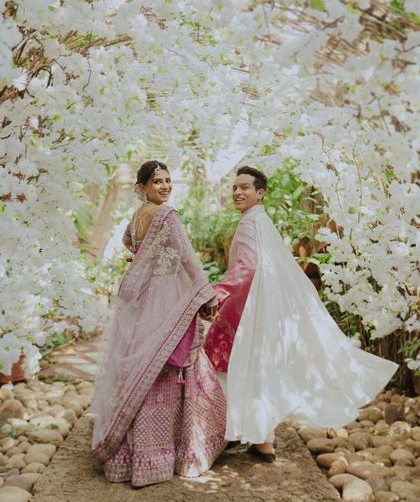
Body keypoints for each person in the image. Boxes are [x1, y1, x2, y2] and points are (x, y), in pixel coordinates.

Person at [204, 165, 398, 463]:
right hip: (261, 306)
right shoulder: (260, 220)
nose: (237, 192)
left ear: (260, 193)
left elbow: (249, 267)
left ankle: (233, 432)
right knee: (257, 368)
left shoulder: (249, 223)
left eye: (245, 187)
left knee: (227, 363)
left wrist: (217, 295)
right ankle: (261, 439)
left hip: (246, 306)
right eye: (235, 187)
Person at [91, 160, 226, 488]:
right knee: (168, 373)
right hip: (167, 302)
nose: (165, 186)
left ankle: (131, 457)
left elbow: (129, 245)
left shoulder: (136, 218)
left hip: (142, 306)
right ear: (143, 187)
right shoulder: (167, 216)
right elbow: (189, 259)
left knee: (140, 371)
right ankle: (175, 453)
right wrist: (207, 297)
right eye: (157, 182)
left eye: (167, 181)